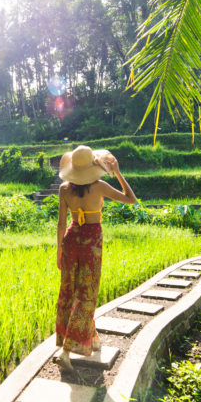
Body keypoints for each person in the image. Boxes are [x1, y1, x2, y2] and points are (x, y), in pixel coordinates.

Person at [54, 145, 137, 371]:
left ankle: (93, 338)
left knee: (70, 291)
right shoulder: (100, 186)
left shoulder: (63, 189)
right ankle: (66, 352)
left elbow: (62, 223)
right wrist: (118, 172)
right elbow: (131, 199)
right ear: (92, 167)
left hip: (71, 241)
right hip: (91, 243)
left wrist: (59, 252)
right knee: (87, 293)